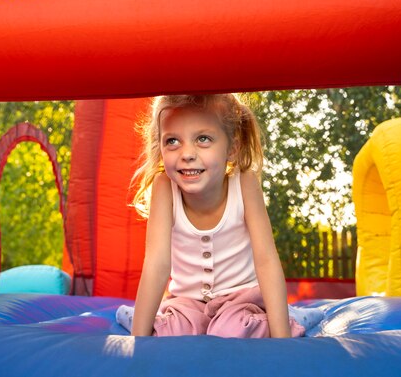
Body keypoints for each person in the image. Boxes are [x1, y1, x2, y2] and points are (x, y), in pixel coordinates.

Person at [119, 93, 316, 338]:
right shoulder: (164, 187)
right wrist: (140, 338)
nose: (187, 153)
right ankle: (142, 317)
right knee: (172, 333)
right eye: (172, 141)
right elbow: (156, 264)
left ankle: (290, 316)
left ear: (232, 148)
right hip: (187, 302)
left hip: (241, 299)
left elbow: (266, 260)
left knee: (232, 331)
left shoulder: (244, 183)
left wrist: (281, 338)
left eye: (203, 139)